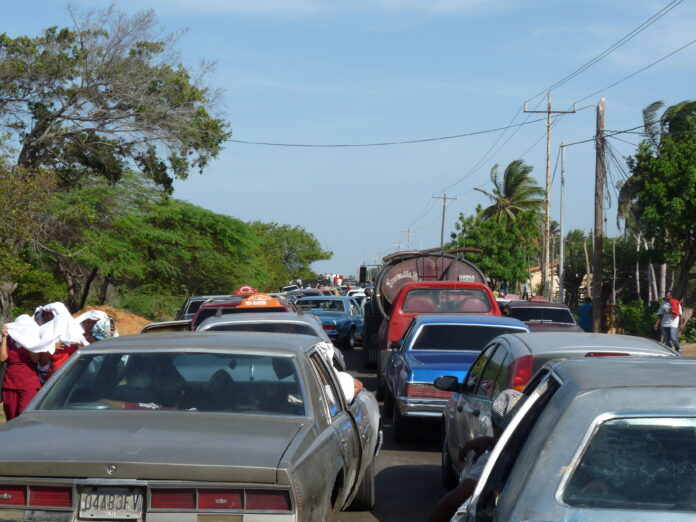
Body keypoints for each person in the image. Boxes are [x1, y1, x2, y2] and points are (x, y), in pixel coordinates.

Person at [427, 389, 525, 522]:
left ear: (495, 425)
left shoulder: (496, 459)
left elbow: (452, 503)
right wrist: (492, 441)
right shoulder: (538, 443)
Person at [0, 318, 42, 420]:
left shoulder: (33, 340)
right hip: (11, 382)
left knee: (25, 416)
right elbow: (2, 357)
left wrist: (27, 341)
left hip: (29, 383)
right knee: (11, 415)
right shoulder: (10, 340)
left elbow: (35, 359)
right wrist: (4, 337)